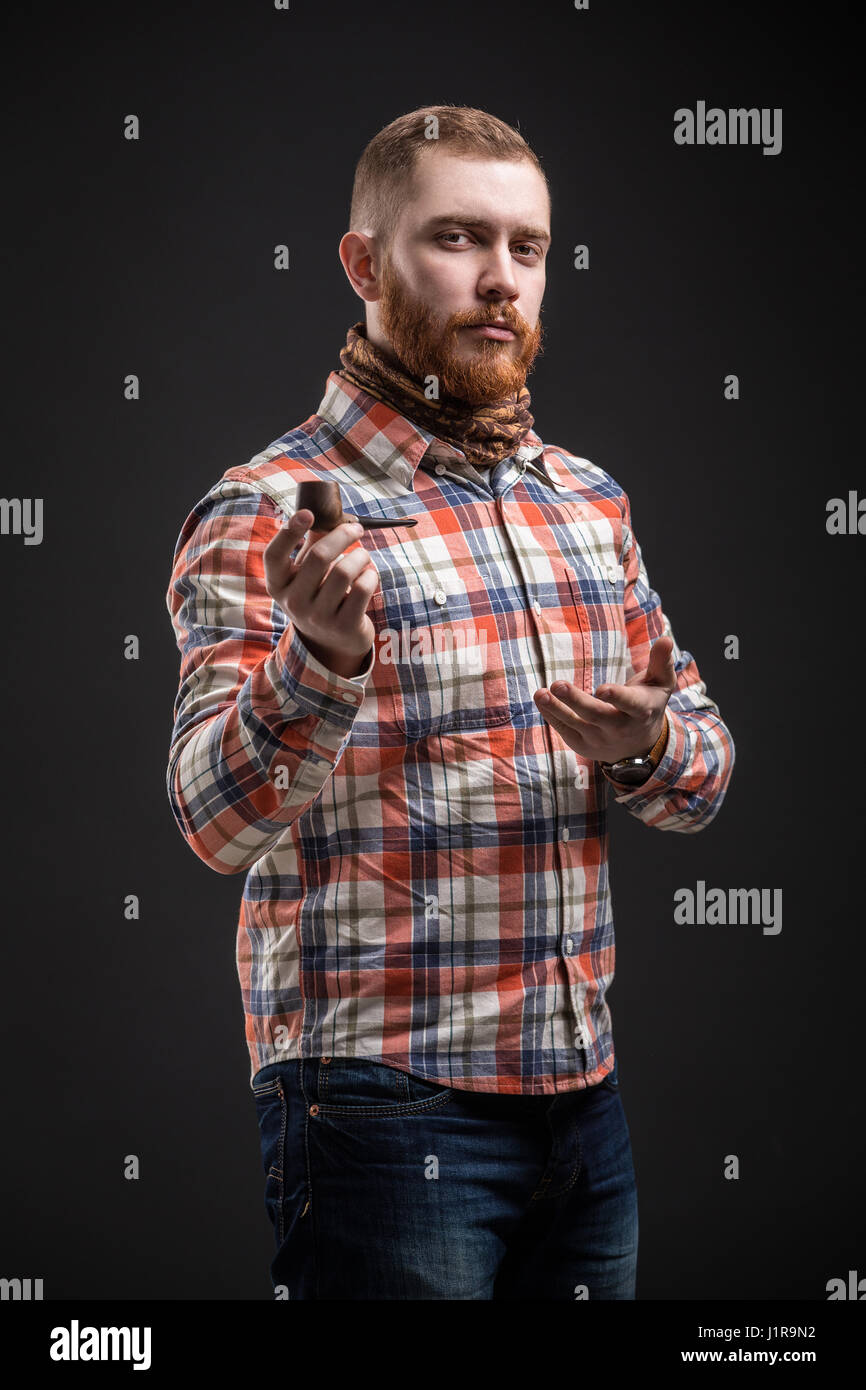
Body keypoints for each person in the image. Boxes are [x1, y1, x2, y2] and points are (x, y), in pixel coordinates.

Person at [164, 104, 735, 1300]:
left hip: (583, 1102)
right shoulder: (265, 507)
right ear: (364, 263)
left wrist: (644, 746)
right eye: (457, 240)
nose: (498, 280)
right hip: (379, 1110)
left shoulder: (584, 501)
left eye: (525, 249)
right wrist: (316, 665)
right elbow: (216, 825)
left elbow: (701, 777)